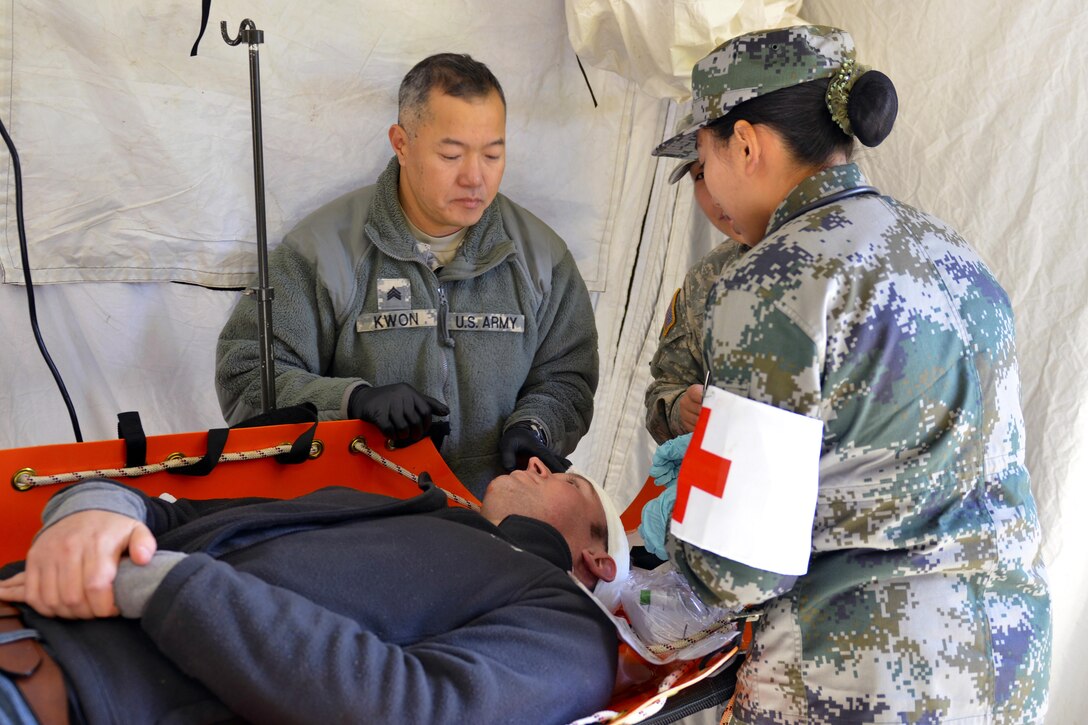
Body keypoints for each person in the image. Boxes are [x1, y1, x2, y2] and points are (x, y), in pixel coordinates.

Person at [646, 25, 1051, 723]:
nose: (706, 181)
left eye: (706, 157)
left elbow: (737, 569)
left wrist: (638, 592)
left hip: (859, 678)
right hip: (1004, 665)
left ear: (746, 144)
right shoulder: (950, 252)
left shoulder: (775, 277)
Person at [215, 53, 599, 497]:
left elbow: (568, 376)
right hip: (360, 524)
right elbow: (246, 377)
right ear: (401, 143)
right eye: (451, 154)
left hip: (494, 527)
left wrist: (536, 427)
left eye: (493, 153)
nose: (476, 177)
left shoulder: (541, 258)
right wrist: (351, 402)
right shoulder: (322, 251)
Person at [0, 457, 630, 724]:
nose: (544, 464)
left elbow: (413, 711)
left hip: (50, 696)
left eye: (572, 486)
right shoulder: (406, 507)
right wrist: (87, 511)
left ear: (597, 560)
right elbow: (170, 512)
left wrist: (150, 581)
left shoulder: (572, 628)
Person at [645, 153, 745, 444]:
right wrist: (679, 409)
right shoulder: (707, 275)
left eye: (722, 164)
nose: (714, 192)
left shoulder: (829, 256)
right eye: (700, 176)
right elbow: (665, 387)